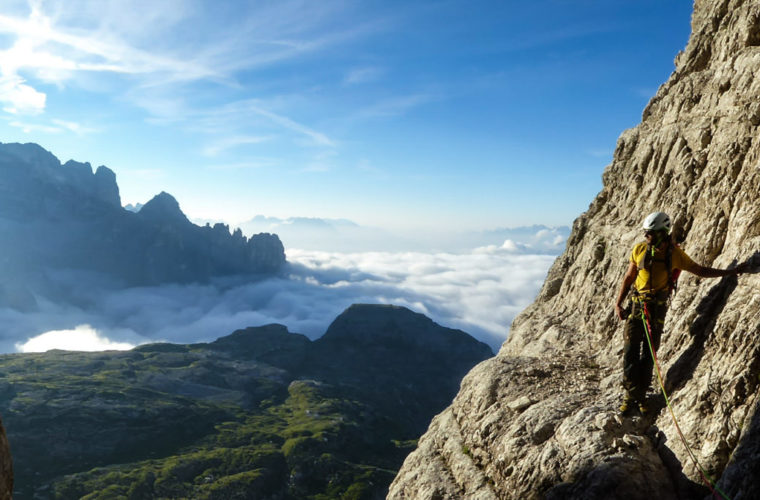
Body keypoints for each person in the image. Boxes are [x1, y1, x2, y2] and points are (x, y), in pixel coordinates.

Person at [613, 211, 747, 415]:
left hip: (656, 308)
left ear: (662, 233)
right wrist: (618, 303)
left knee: (649, 352)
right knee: (631, 350)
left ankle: (640, 396)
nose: (646, 237)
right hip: (637, 305)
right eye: (646, 233)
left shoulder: (676, 255)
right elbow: (629, 277)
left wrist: (729, 272)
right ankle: (630, 395)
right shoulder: (639, 249)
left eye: (650, 233)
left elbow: (700, 271)